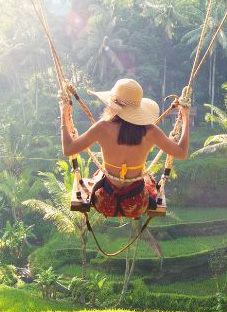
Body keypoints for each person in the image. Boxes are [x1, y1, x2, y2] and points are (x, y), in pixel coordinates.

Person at [61, 78, 190, 217]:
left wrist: (63, 113)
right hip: (136, 204)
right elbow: (182, 153)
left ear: (113, 105)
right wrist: (186, 117)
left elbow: (68, 149)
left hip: (105, 202)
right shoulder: (150, 131)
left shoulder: (103, 127)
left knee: (98, 175)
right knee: (147, 179)